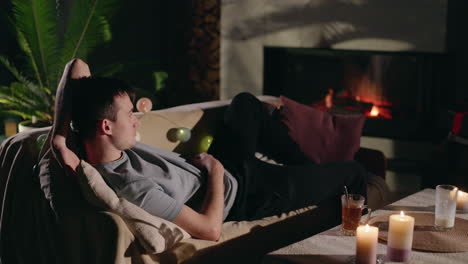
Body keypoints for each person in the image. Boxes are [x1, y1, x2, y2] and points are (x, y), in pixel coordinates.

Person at [53, 65, 368, 241]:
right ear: (106, 127)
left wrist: (59, 137)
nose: (138, 119)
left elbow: (76, 67)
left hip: (222, 165)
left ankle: (309, 171)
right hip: (245, 193)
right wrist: (215, 170)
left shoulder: (84, 143)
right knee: (354, 172)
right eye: (129, 114)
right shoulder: (134, 189)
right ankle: (351, 227)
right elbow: (210, 230)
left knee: (246, 103)